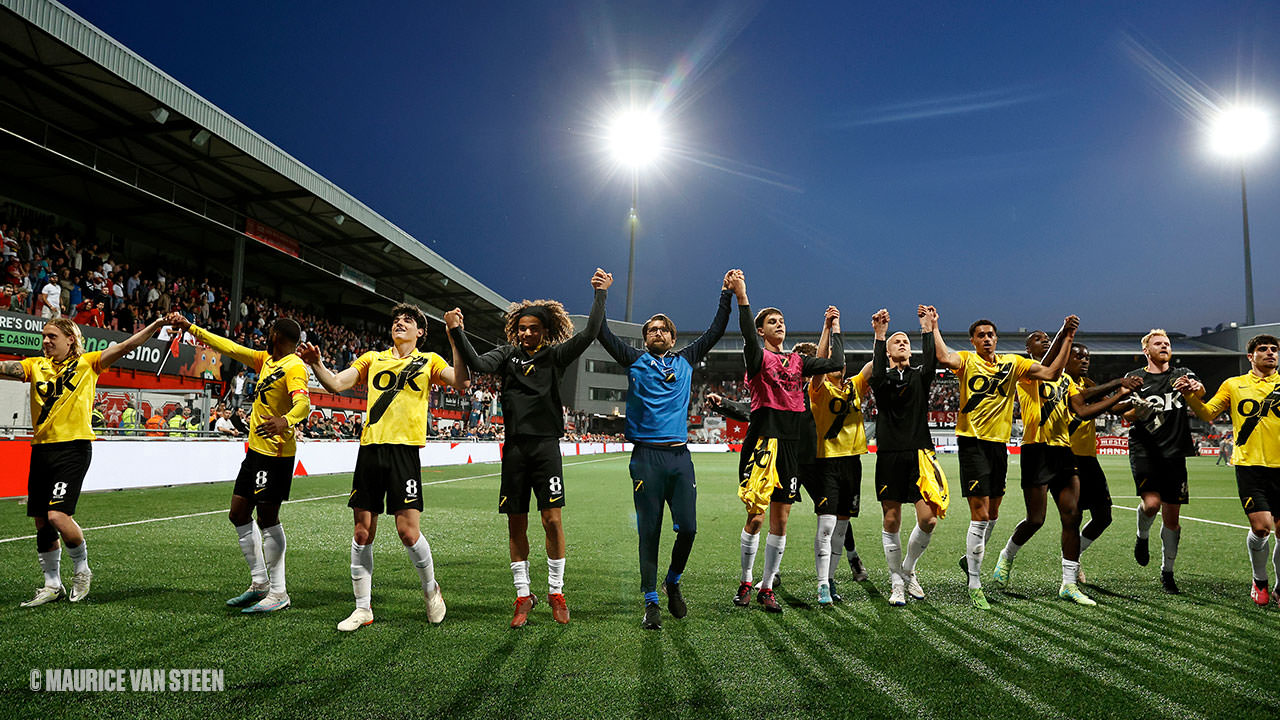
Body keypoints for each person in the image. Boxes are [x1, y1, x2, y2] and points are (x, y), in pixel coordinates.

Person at [448, 269, 612, 627]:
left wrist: (600, 294)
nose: (525, 332)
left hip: (546, 448)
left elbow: (589, 333)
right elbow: (476, 365)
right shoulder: (506, 355)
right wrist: (457, 331)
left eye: (532, 327)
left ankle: (556, 591)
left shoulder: (555, 356)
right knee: (516, 524)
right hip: (516, 451)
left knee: (552, 520)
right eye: (521, 327)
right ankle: (523, 596)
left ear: (544, 329)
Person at [301, 303, 469, 631]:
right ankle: (362, 608)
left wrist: (454, 337)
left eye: (408, 321)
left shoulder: (429, 360)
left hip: (404, 452)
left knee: (407, 532)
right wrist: (317, 364)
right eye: (396, 320)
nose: (400, 323)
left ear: (421, 332)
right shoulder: (372, 358)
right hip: (370, 450)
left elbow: (461, 381)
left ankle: (431, 590)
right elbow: (336, 384)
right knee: (362, 532)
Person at [596, 269, 735, 629]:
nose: (657, 332)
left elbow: (715, 331)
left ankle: (672, 580)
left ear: (672, 338)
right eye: (651, 330)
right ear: (644, 340)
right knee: (650, 531)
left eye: (663, 329)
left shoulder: (685, 360)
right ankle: (651, 600)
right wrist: (601, 295)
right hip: (645, 458)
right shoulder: (635, 360)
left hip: (678, 457)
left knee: (688, 528)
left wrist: (726, 293)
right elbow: (601, 331)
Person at [1, 315, 165, 606]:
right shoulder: (34, 365)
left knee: (57, 516)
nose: (46, 341)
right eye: (45, 336)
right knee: (42, 520)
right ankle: (52, 585)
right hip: (41, 449)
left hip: (73, 449)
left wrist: (155, 326)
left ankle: (82, 570)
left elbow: (128, 345)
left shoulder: (89, 363)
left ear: (70, 339)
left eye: (53, 336)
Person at [930, 311, 1078, 609]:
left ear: (996, 339)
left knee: (994, 512)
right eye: (981, 335)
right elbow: (944, 357)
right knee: (981, 514)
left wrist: (1068, 338)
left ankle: (970, 558)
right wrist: (933, 327)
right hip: (972, 443)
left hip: (999, 447)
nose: (987, 339)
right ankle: (974, 584)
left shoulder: (1013, 363)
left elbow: (1050, 373)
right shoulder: (967, 361)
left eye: (990, 335)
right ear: (972, 341)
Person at [169, 313, 311, 613]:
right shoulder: (265, 361)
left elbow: (304, 403)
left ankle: (279, 591)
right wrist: (191, 327)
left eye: (269, 331)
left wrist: (283, 421)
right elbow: (230, 348)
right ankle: (259, 583)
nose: (265, 334)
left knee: (268, 519)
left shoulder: (294, 366)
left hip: (276, 454)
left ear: (276, 335)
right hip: (256, 452)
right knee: (238, 513)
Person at [991, 330, 1140, 605]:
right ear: (1028, 347)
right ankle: (1007, 555)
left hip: (1064, 451)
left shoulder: (1067, 379)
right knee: (1036, 519)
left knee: (1071, 517)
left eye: (1048, 337)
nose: (1045, 339)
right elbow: (1049, 364)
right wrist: (1065, 334)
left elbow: (1082, 409)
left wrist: (1121, 390)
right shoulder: (1024, 371)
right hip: (1036, 450)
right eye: (1038, 338)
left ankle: (1069, 584)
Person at [731, 274, 844, 614]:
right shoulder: (757, 357)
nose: (779, 325)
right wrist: (743, 295)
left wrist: (833, 327)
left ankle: (767, 587)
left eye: (781, 321)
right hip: (763, 445)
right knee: (756, 518)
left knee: (781, 521)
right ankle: (746, 580)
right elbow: (747, 335)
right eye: (771, 322)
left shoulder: (797, 362)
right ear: (761, 331)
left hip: (791, 448)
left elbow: (836, 363)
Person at [1179, 334, 1280, 605]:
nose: (1270, 353)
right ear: (1251, 356)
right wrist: (1190, 396)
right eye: (1263, 349)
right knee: (1261, 529)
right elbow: (1208, 413)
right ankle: (1260, 580)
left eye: (1274, 349)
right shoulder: (1234, 385)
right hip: (1250, 466)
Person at [870, 307, 946, 606]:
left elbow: (931, 359)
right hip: (889, 454)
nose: (902, 343)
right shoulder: (882, 379)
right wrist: (879, 334)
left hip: (919, 454)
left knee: (928, 520)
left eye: (906, 341)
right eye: (896, 341)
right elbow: (876, 372)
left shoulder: (920, 375)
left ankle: (908, 569)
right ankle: (896, 582)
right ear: (888, 351)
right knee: (891, 519)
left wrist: (927, 328)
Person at [805, 310, 872, 606]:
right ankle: (821, 583)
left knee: (842, 527)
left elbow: (875, 365)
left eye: (840, 359)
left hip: (853, 463)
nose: (837, 362)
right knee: (827, 524)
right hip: (827, 462)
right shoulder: (818, 389)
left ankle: (831, 580)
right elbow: (819, 365)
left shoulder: (854, 385)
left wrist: (882, 335)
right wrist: (831, 329)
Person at [1124, 329, 1199, 594]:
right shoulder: (1135, 379)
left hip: (1175, 453)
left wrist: (1194, 386)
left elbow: (1198, 389)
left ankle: (1168, 572)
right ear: (1146, 350)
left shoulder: (1182, 374)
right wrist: (1137, 410)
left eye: (1167, 343)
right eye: (1158, 343)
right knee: (1152, 504)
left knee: (1172, 519)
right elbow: (1124, 411)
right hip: (1145, 450)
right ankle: (1142, 537)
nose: (1164, 346)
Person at [1062, 344, 1142, 581]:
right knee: (1073, 517)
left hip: (1089, 458)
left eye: (1087, 356)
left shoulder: (1088, 383)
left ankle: (1073, 555)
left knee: (1103, 516)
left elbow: (1114, 408)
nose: (1084, 360)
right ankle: (1070, 565)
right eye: (1078, 356)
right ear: (1065, 359)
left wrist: (1138, 401)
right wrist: (1120, 385)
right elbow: (1084, 410)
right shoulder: (1062, 381)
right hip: (1067, 456)